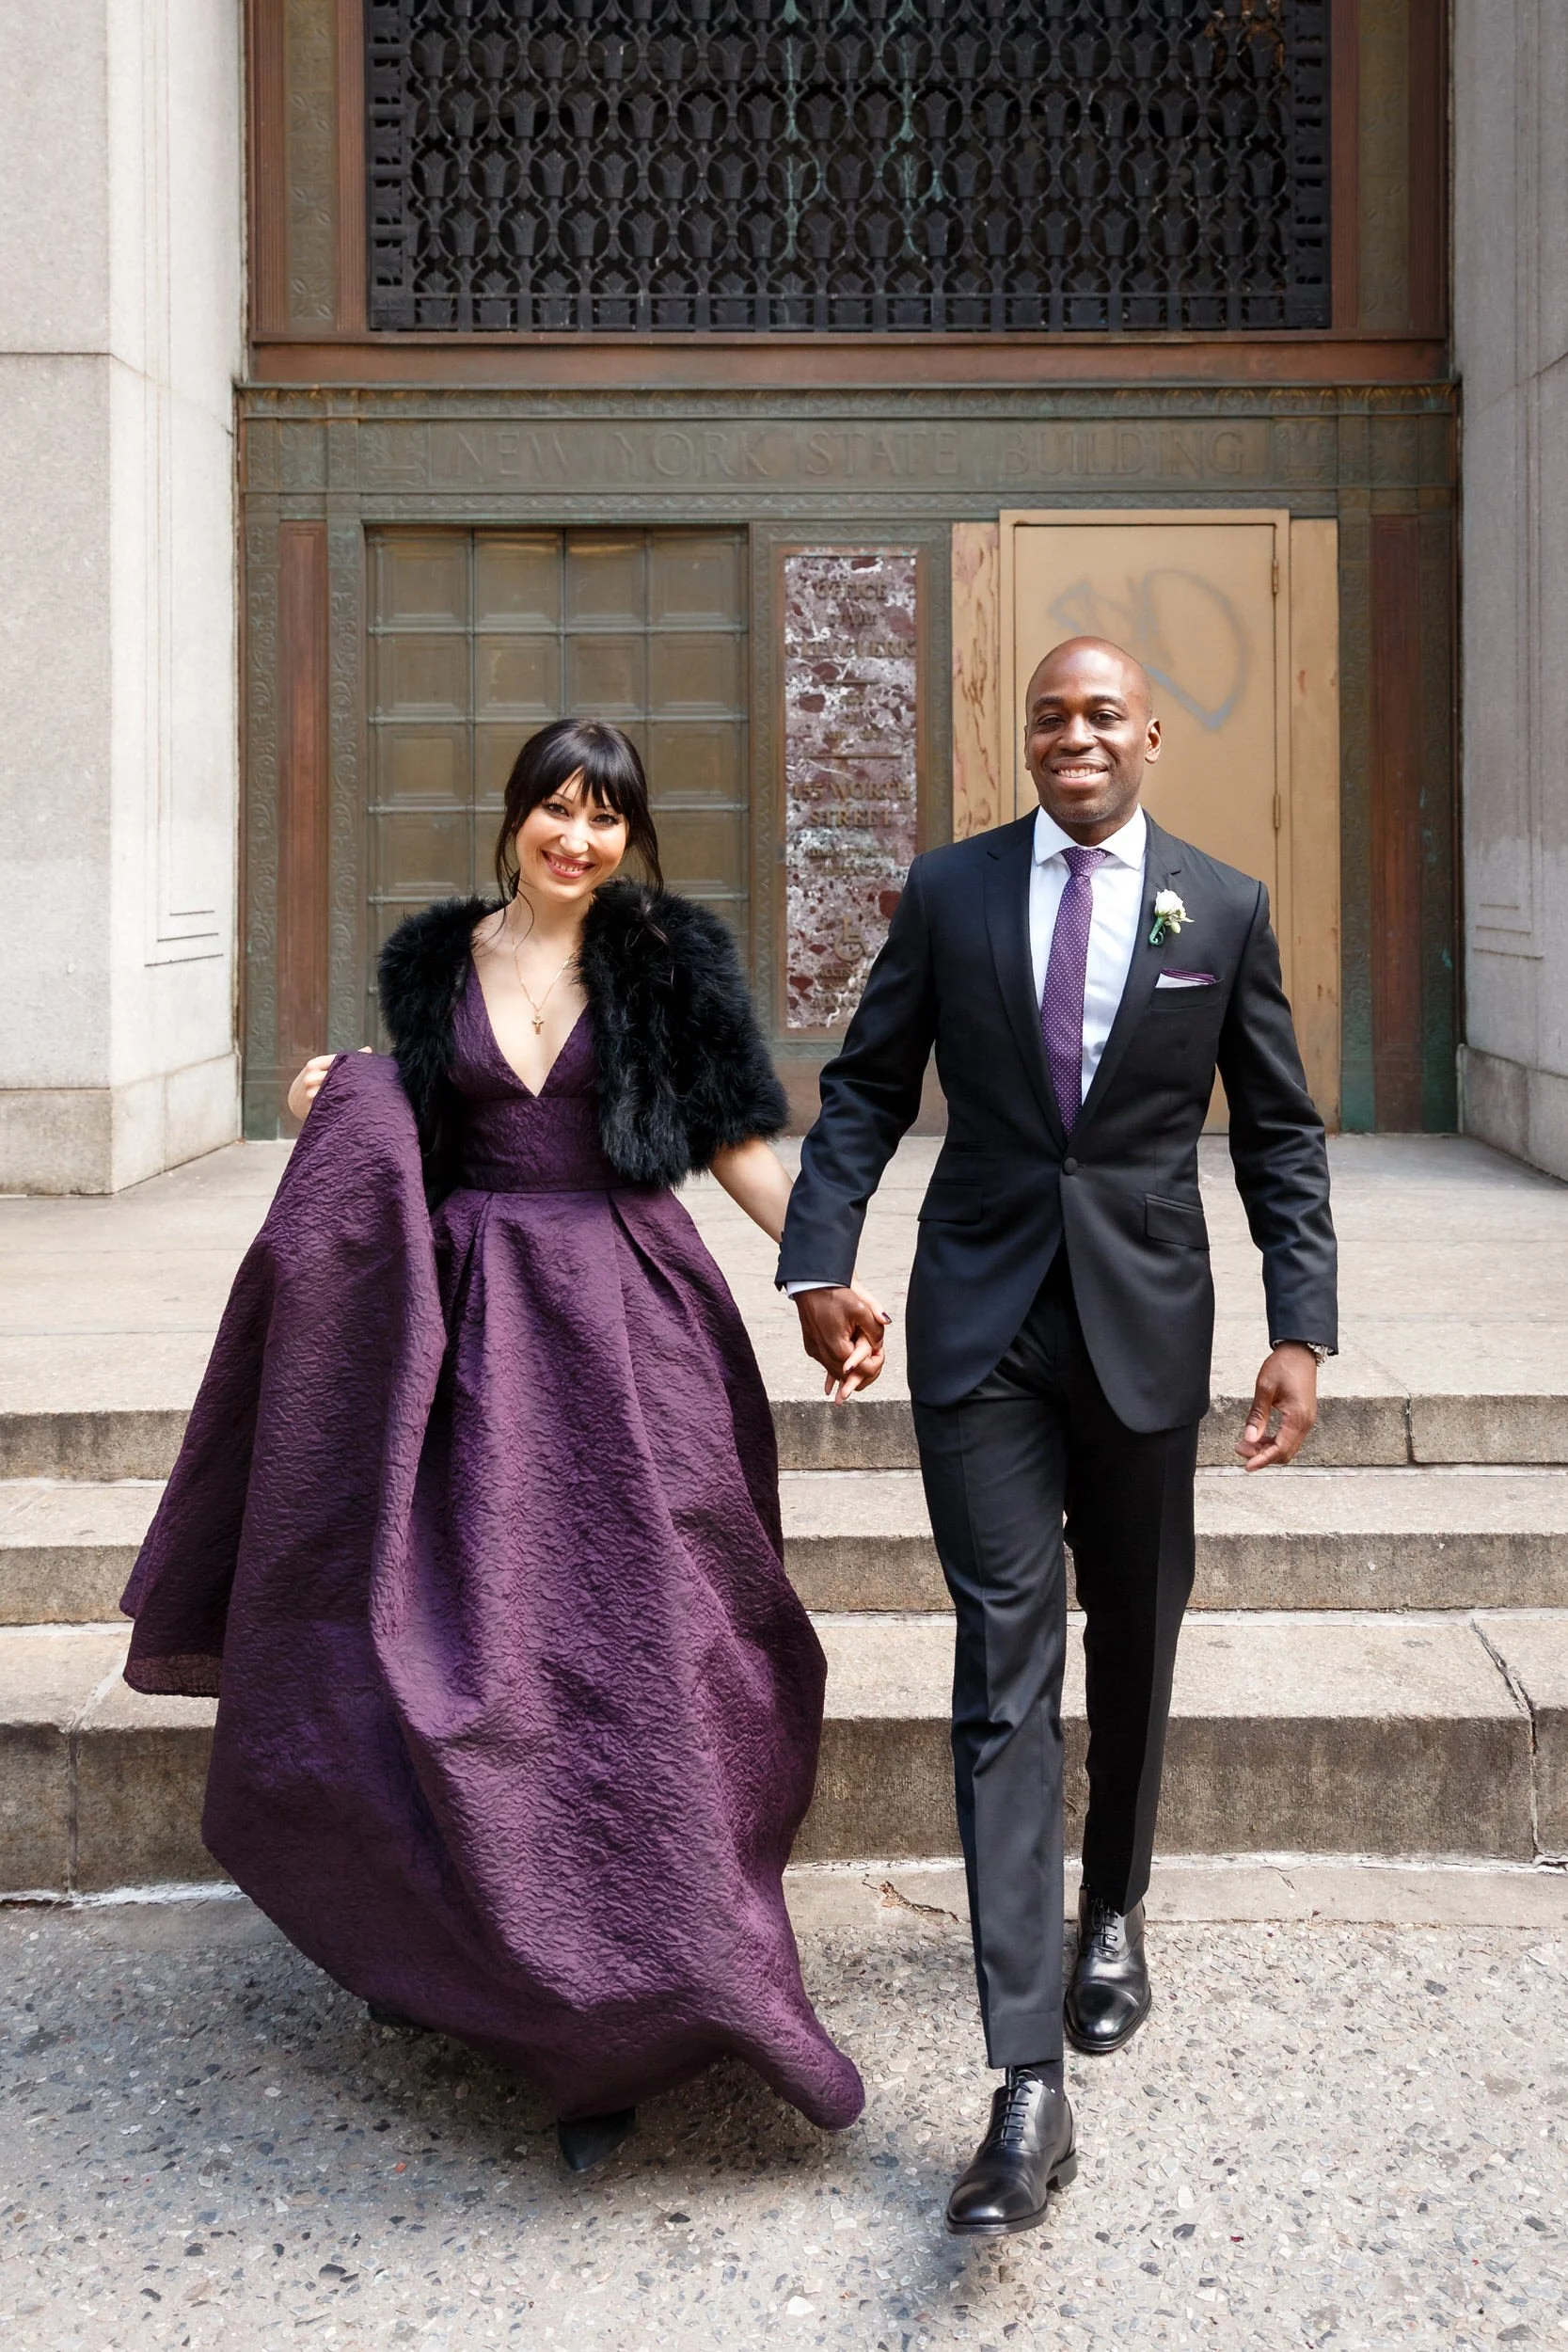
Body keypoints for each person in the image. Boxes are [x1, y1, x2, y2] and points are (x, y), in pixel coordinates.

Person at [121, 717, 878, 2170]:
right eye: (556, 809)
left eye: (605, 817)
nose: (577, 838)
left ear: (630, 837)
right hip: (467, 1345)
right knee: (477, 1658)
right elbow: (400, 1128)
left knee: (653, 1647)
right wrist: (331, 1091)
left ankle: (664, 1978)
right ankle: (502, 1973)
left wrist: (818, 1272)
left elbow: (734, 1138)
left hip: (629, 1325)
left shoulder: (661, 961)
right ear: (515, 817)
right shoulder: (436, 961)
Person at [779, 636, 1337, 2237]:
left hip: (1146, 1329)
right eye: (1048, 714)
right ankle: (1024, 2082)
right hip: (981, 1330)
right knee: (1001, 1672)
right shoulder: (948, 892)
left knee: (1137, 1639)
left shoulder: (1214, 906)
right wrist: (822, 1260)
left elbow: (1282, 1131)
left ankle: (1116, 1906)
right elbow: (869, 1085)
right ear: (1019, 738)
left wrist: (1299, 1328)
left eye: (1101, 713)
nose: (1073, 734)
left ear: (1150, 735)